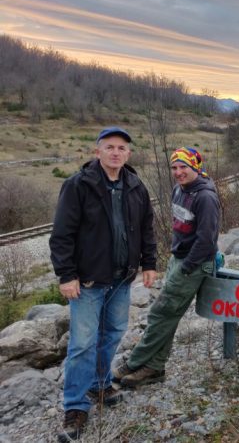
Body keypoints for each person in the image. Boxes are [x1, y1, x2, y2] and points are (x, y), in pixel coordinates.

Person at [50, 127, 157, 442]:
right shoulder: (78, 185)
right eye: (109, 147)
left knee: (112, 333)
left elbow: (146, 228)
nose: (115, 152)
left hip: (122, 278)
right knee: (82, 343)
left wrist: (149, 263)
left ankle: (99, 384)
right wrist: (66, 275)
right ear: (97, 152)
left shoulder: (135, 185)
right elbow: (62, 234)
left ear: (128, 154)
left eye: (121, 148)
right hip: (87, 280)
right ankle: (75, 406)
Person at [113, 147, 220, 388]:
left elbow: (207, 240)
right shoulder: (179, 189)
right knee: (168, 317)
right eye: (175, 167)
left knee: (159, 314)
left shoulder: (205, 197)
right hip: (178, 258)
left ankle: (134, 362)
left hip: (194, 263)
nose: (179, 172)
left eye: (184, 167)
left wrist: (187, 268)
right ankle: (154, 368)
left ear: (195, 167)